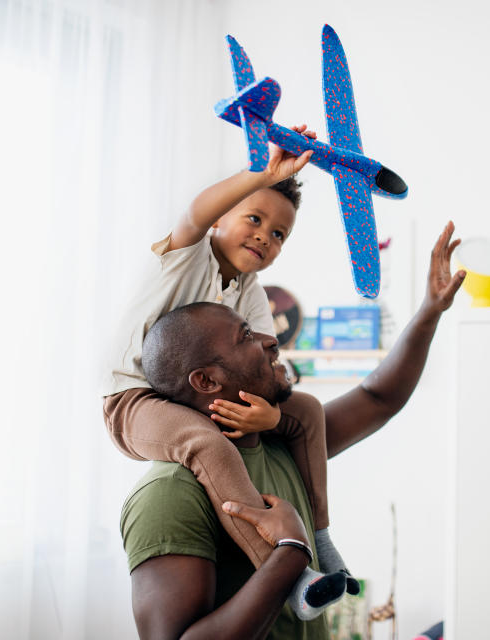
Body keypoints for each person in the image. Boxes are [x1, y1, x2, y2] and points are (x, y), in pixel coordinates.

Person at [120, 223, 465, 639]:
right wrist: (290, 554)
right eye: (245, 335)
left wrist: (430, 310)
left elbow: (379, 399)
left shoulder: (286, 444)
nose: (270, 339)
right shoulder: (170, 492)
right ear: (207, 381)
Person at [103, 125, 355, 620]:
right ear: (222, 218)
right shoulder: (185, 257)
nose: (265, 235)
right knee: (206, 443)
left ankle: (321, 540)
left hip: (203, 396)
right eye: (254, 218)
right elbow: (195, 213)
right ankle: (289, 575)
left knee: (305, 408)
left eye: (279, 234)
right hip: (136, 401)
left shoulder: (251, 290)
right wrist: (261, 173)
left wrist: (270, 415)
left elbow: (265, 363)